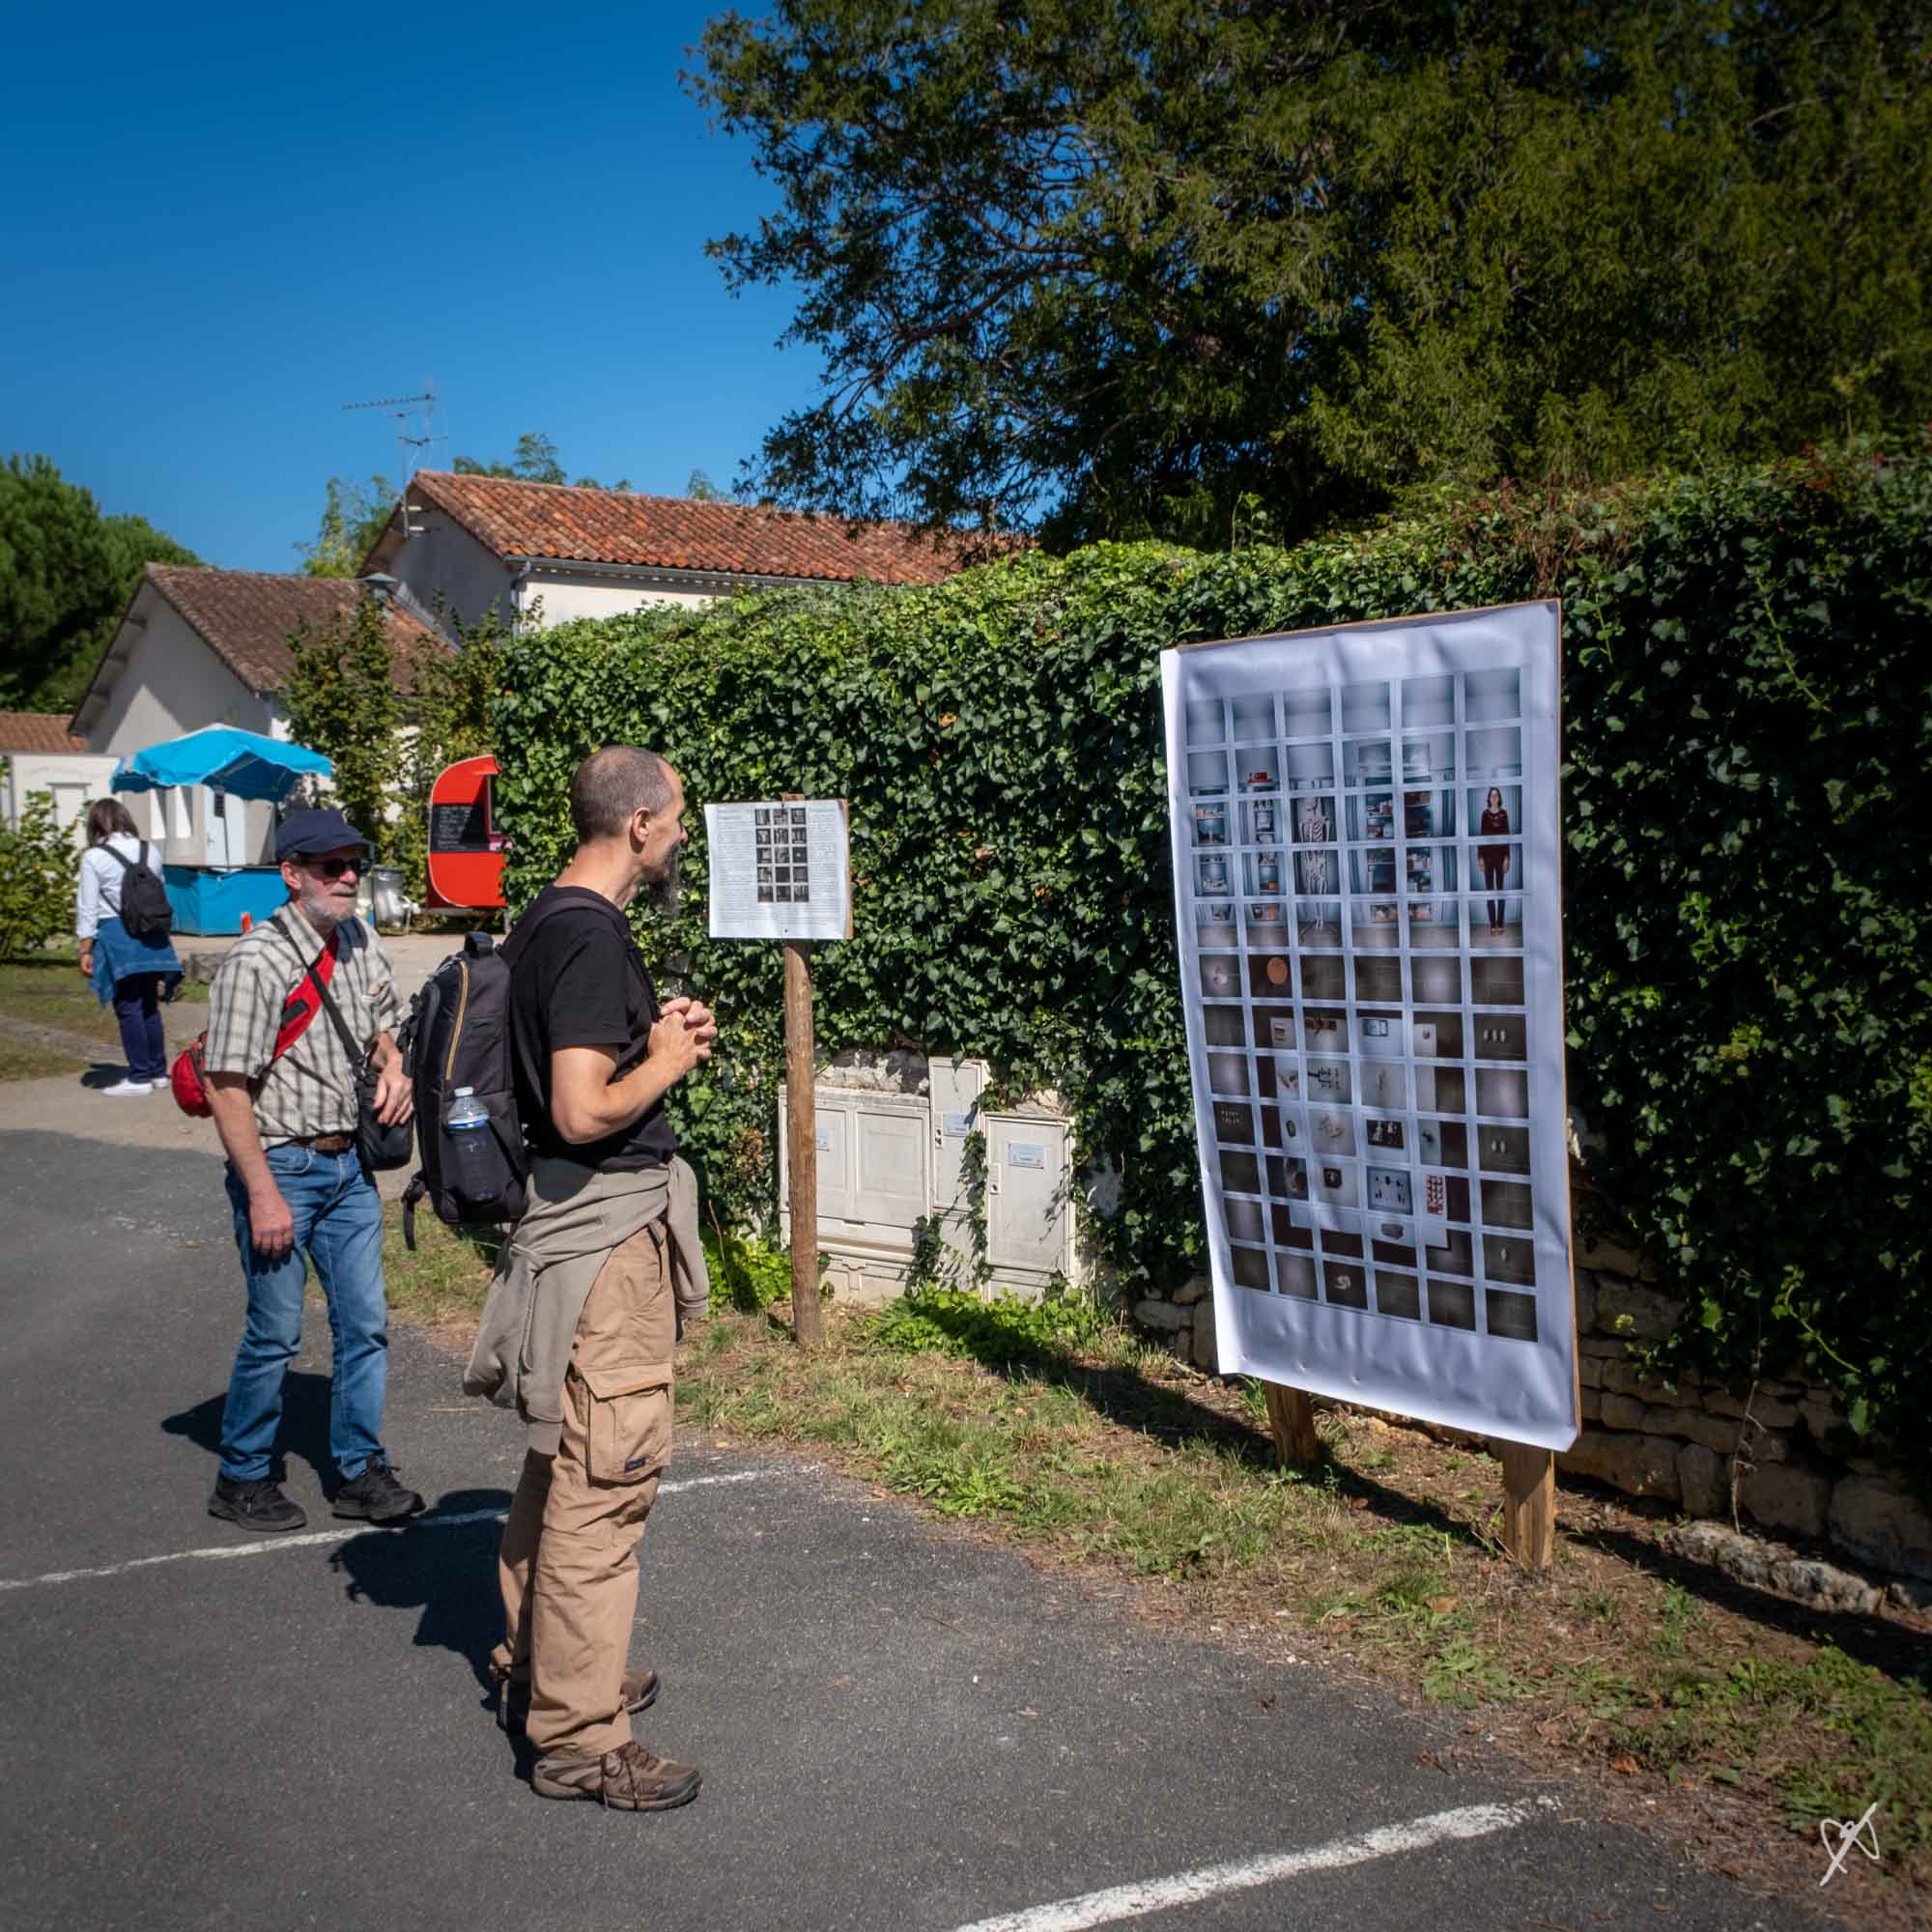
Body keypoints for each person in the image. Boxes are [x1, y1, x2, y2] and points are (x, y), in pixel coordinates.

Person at [464, 745, 715, 1813]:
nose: (684, 835)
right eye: (678, 816)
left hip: (571, 1232)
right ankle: (578, 1737)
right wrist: (667, 1060)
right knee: (606, 1484)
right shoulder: (589, 936)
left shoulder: (547, 919)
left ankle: (543, 1666)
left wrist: (649, 1044)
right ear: (640, 824)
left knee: (560, 1463)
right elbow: (577, 1108)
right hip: (602, 1245)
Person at [202, 807, 421, 1534]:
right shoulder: (256, 962)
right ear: (292, 875)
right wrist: (262, 1193)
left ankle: (359, 1472)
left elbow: (382, 1029)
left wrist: (395, 1068)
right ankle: (241, 1476)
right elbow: (225, 1086)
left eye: (355, 863)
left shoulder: (358, 937)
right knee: (275, 1333)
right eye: (332, 866)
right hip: (282, 1166)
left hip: (349, 1163)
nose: (349, 876)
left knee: (366, 1324)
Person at [75, 798, 183, 1095]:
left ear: (95, 824)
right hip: (153, 935)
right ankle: (158, 1072)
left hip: (117, 934)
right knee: (149, 1004)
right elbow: (158, 891)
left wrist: (85, 949)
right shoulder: (150, 850)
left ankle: (139, 1078)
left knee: (127, 1006)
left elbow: (87, 907)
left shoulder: (94, 857)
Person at [1479, 786, 1512, 935]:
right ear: (1488, 798)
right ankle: (1492, 925)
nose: (1494, 798)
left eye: (1496, 795)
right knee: (1490, 892)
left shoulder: (1504, 814)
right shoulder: (1485, 814)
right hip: (1487, 857)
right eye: (1492, 796)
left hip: (1500, 857)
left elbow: (1507, 837)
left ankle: (1500, 923)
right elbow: (1481, 836)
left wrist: (1507, 858)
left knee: (1500, 891)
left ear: (1499, 798)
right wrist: (1480, 858)